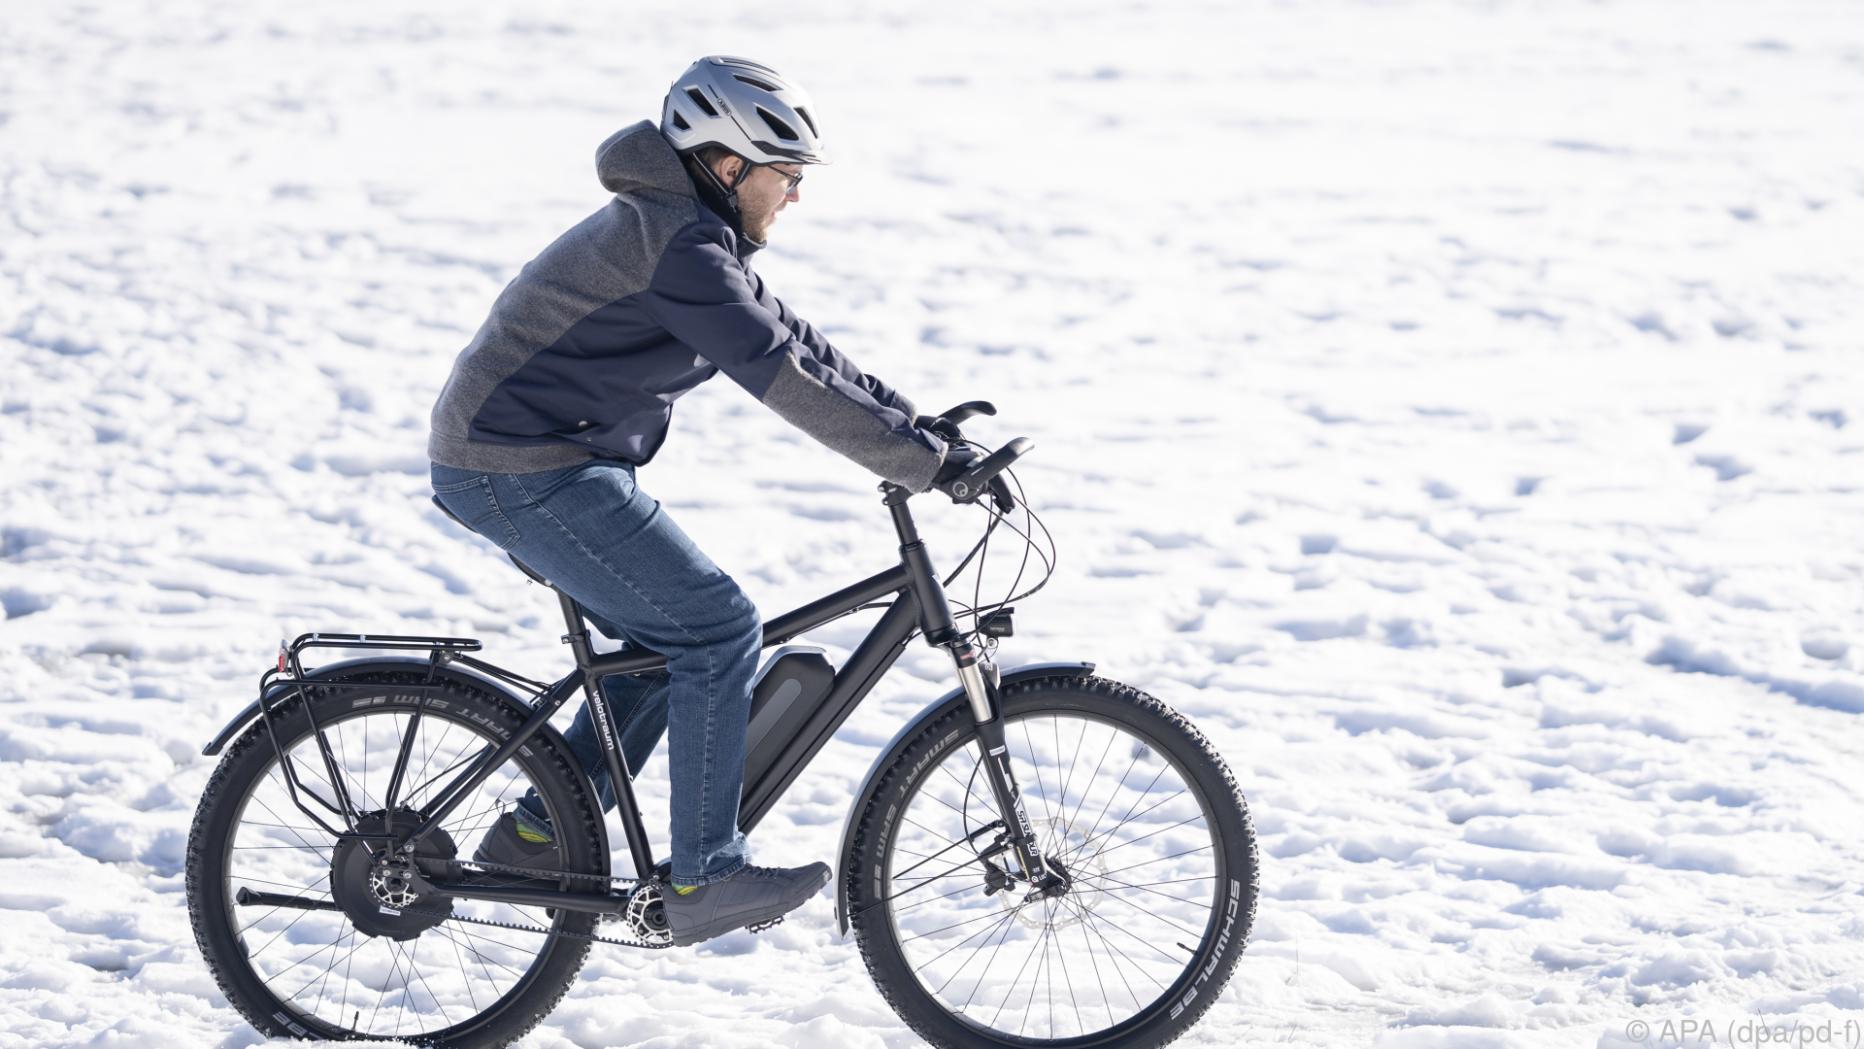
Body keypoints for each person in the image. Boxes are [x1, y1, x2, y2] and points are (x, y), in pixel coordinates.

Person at [425, 56, 985, 946]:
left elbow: (799, 343)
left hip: (543, 455)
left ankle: (536, 833)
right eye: (786, 176)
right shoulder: (678, 248)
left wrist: (921, 432)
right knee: (718, 628)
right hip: (518, 464)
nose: (794, 197)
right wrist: (921, 466)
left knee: (663, 642)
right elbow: (787, 381)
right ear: (729, 166)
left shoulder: (687, 231)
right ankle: (704, 875)